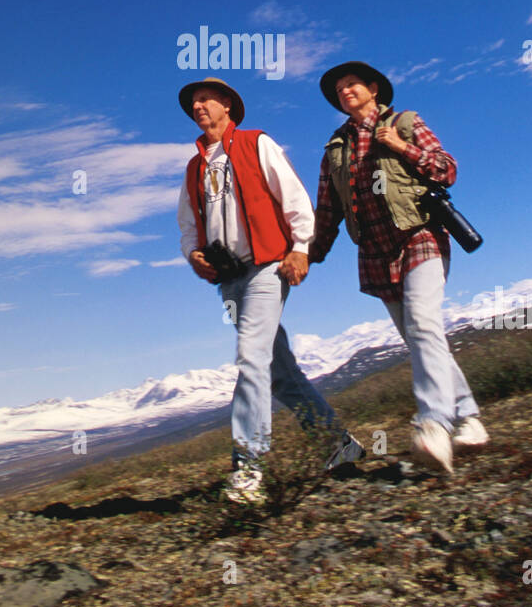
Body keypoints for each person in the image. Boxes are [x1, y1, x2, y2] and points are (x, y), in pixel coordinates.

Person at [177, 77, 364, 504]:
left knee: (250, 359)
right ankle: (339, 443)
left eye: (206, 99)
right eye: (193, 102)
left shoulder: (257, 143)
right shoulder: (194, 167)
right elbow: (188, 224)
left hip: (267, 266)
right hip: (229, 278)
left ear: (228, 105)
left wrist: (300, 249)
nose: (198, 106)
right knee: (277, 370)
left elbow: (295, 197)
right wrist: (193, 255)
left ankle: (248, 466)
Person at [308, 61, 489, 476]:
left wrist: (401, 147)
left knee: (424, 326)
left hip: (420, 237)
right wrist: (308, 256)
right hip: (375, 252)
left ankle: (433, 425)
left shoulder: (406, 122)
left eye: (352, 84)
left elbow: (447, 168)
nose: (345, 91)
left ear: (373, 88)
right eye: (339, 88)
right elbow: (328, 209)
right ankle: (471, 420)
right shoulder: (335, 149)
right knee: (421, 339)